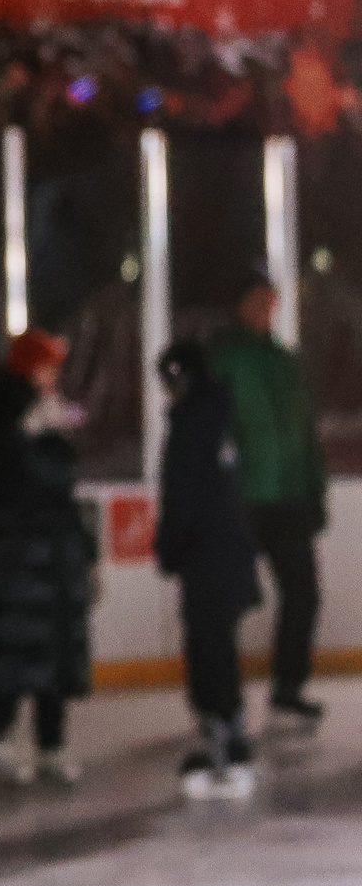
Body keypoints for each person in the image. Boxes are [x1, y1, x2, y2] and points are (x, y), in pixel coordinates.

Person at [0, 329, 96, 787]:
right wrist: (27, 428)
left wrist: (87, 555)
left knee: (55, 651)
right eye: (47, 364)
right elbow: (0, 464)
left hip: (56, 551)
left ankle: (51, 745)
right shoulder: (5, 413)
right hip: (16, 551)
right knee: (10, 650)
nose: (53, 374)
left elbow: (65, 491)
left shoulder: (50, 414)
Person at [205, 272, 329, 730]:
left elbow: (306, 430)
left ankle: (288, 690)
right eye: (259, 300)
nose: (267, 309)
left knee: (303, 594)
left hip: (290, 497)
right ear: (241, 303)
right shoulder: (223, 358)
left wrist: (314, 490)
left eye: (272, 301)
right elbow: (206, 427)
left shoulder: (283, 360)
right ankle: (221, 700)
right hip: (243, 498)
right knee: (230, 601)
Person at [155, 340, 262, 798]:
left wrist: (172, 546)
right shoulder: (219, 417)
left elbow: (185, 495)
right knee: (217, 642)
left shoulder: (194, 424)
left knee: (209, 645)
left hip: (207, 555)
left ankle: (223, 737)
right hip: (228, 552)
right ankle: (227, 731)